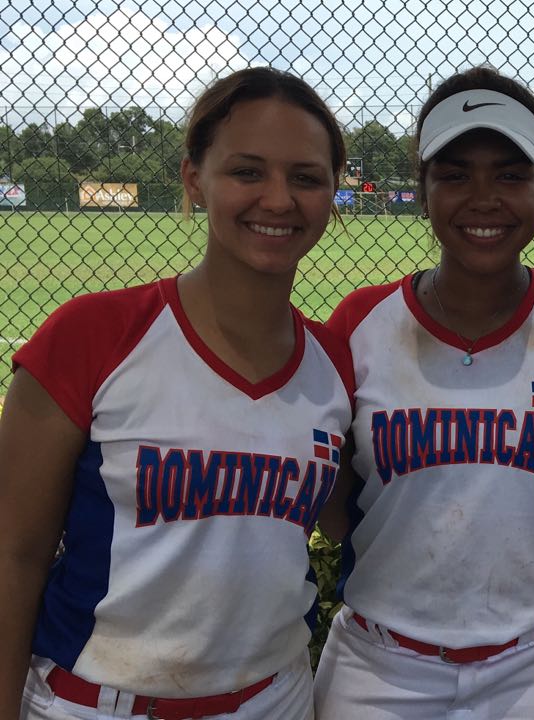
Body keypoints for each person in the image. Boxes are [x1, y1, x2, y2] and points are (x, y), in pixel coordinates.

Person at [0, 67, 353, 720]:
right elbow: (13, 554)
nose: (278, 199)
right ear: (195, 178)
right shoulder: (92, 335)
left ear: (334, 191)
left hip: (275, 699)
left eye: (306, 177)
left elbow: (351, 520)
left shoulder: (334, 362)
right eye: (247, 171)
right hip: (96, 701)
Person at [313, 67, 534, 719]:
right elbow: (330, 497)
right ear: (423, 190)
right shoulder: (359, 324)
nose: (483, 197)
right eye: (455, 174)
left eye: (511, 175)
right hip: (380, 669)